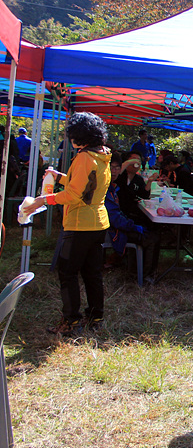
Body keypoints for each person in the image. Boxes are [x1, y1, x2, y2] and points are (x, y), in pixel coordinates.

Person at [22, 112, 111, 336]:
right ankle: (96, 317)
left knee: (68, 273)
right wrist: (60, 175)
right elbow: (86, 185)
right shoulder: (103, 155)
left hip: (79, 224)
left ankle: (71, 321)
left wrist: (43, 200)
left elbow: (73, 195)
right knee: (93, 273)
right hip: (99, 222)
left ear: (79, 135)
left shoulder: (83, 157)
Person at [105, 152, 161, 279]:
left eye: (117, 168)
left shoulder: (136, 180)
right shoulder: (109, 184)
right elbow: (115, 218)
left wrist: (150, 181)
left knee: (151, 230)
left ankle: (137, 269)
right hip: (113, 229)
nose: (114, 171)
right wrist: (132, 226)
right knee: (151, 238)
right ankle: (145, 276)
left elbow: (143, 195)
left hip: (123, 220)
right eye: (111, 168)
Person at [116, 151, 156, 221]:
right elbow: (115, 176)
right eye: (133, 159)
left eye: (139, 160)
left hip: (130, 212)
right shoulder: (120, 175)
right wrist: (128, 163)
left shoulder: (138, 179)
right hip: (116, 210)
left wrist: (150, 181)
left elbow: (144, 195)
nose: (136, 162)